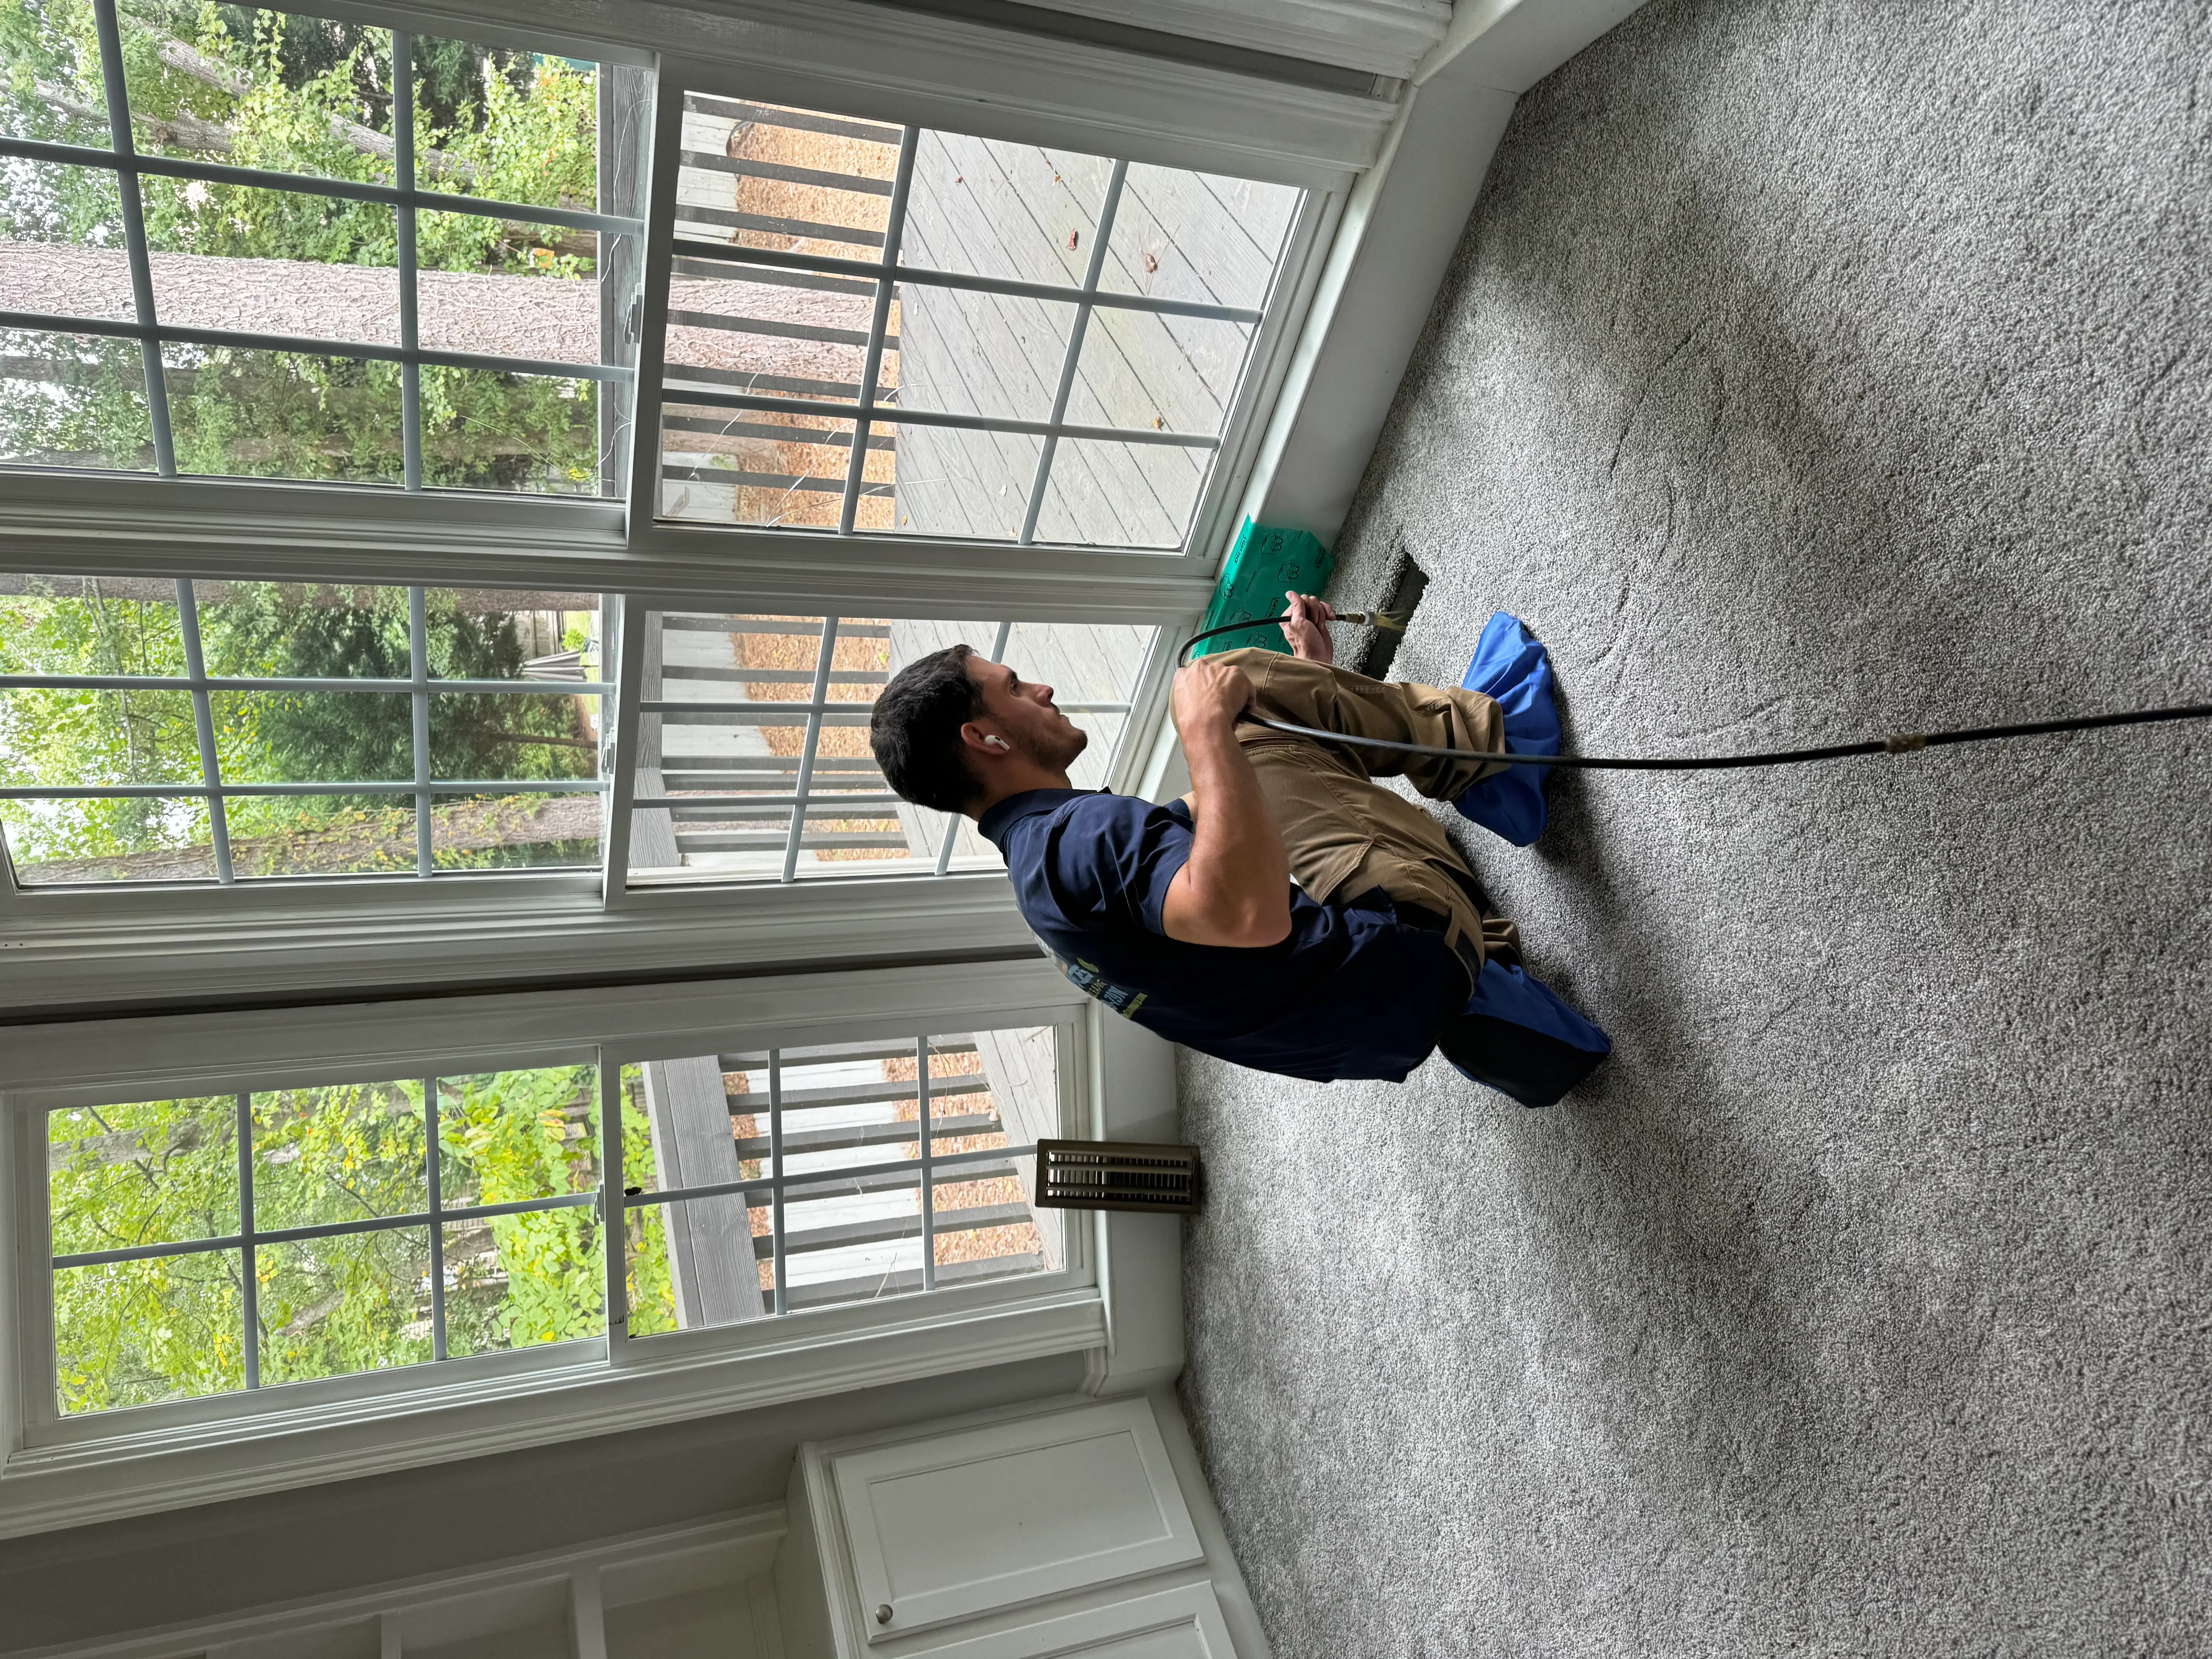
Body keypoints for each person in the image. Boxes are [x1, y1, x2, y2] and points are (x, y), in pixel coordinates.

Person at [866, 594, 1611, 1104]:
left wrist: (1314, 684)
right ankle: (1498, 755)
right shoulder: (1081, 839)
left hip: (1376, 1023)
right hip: (1411, 952)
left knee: (1245, 741)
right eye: (1014, 687)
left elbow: (1251, 804)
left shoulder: (1042, 875)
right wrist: (1205, 727)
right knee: (1234, 687)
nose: (1043, 687)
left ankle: (1491, 993)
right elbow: (1249, 911)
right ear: (986, 738)